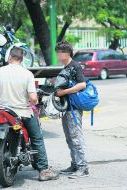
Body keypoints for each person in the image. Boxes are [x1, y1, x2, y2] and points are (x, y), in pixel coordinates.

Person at [0, 46, 59, 181]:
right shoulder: (27, 74)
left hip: (3, 112)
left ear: (9, 57)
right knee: (37, 137)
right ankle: (44, 170)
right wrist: (34, 99)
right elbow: (33, 98)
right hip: (22, 112)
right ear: (22, 59)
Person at [55, 41, 89, 179]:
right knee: (69, 138)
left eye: (59, 52)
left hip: (74, 108)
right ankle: (75, 164)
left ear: (66, 53)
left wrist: (64, 92)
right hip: (67, 108)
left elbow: (82, 84)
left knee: (76, 137)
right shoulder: (66, 66)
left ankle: (83, 167)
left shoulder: (75, 66)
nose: (57, 55)